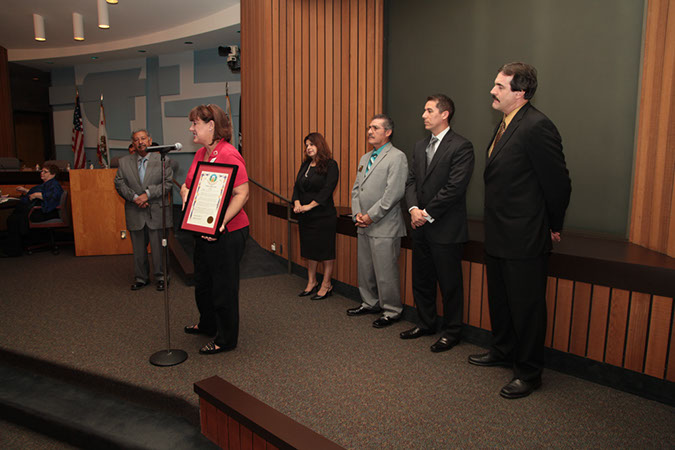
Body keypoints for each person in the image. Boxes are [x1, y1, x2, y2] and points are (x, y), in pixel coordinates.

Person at [469, 62, 571, 399]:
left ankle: (528, 372)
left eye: (499, 86)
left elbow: (558, 184)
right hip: (499, 234)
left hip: (525, 237)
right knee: (501, 301)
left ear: (520, 92)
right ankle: (502, 351)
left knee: (526, 308)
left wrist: (553, 225)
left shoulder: (537, 126)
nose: (492, 91)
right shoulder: (505, 125)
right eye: (494, 84)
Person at [401, 94, 475, 352]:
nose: (423, 115)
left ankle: (452, 331)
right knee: (422, 279)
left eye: (429, 110)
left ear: (445, 114)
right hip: (419, 226)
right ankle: (426, 322)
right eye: (424, 110)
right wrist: (412, 209)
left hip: (445, 228)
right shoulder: (419, 146)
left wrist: (426, 212)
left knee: (449, 284)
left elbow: (455, 188)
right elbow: (411, 181)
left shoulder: (461, 146)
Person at [181, 104, 249, 355]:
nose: (191, 128)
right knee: (204, 283)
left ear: (211, 126)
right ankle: (208, 324)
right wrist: (186, 194)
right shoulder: (201, 154)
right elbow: (187, 186)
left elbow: (243, 193)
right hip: (203, 230)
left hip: (228, 231)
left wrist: (220, 222)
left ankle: (225, 339)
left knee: (223, 287)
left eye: (195, 123)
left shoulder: (229, 154)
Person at [347, 114, 408, 328]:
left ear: (388, 132)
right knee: (365, 269)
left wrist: (370, 215)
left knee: (385, 272)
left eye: (375, 128)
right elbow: (356, 189)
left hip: (384, 225)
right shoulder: (365, 158)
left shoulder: (397, 157)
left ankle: (391, 310)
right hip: (363, 224)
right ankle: (369, 303)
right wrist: (357, 215)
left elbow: (394, 193)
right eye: (369, 128)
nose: (370, 131)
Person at [114, 130, 173, 291]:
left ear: (150, 140)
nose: (140, 142)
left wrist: (146, 195)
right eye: (136, 140)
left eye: (143, 138)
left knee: (159, 248)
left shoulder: (162, 160)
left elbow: (167, 184)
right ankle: (141, 278)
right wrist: (135, 197)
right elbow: (119, 183)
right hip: (135, 210)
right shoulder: (124, 162)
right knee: (138, 250)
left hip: (156, 211)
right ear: (133, 144)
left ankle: (161, 277)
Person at [292, 132, 339, 300]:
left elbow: (327, 190)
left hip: (323, 215)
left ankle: (326, 284)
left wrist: (309, 206)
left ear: (320, 145)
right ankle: (312, 282)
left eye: (312, 144)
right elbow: (296, 187)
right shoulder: (305, 165)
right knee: (309, 250)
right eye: (306, 145)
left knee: (325, 251)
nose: (308, 148)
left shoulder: (331, 165)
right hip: (306, 216)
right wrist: (297, 203)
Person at [1, 164, 64, 257]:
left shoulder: (54, 185)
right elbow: (40, 192)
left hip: (46, 212)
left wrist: (37, 195)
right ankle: (14, 248)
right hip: (39, 211)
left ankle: (13, 251)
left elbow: (52, 197)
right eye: (41, 171)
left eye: (45, 172)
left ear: (53, 174)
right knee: (14, 217)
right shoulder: (47, 184)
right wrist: (27, 191)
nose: (42, 173)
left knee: (14, 219)